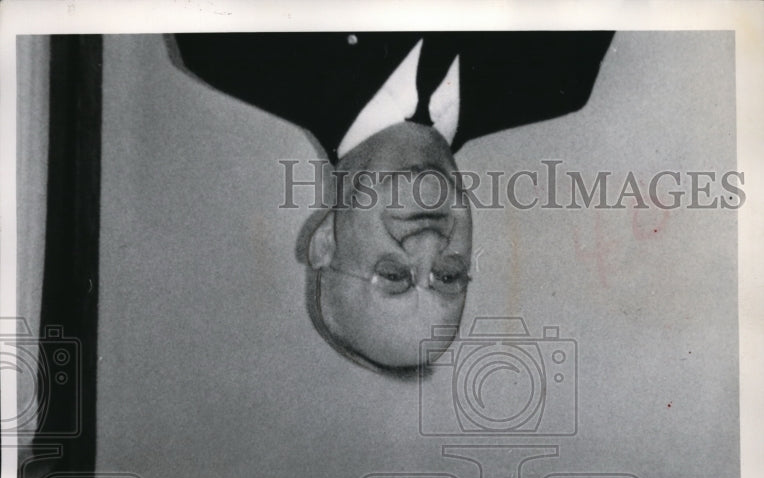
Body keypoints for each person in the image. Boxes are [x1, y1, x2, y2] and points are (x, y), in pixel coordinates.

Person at [170, 32, 613, 375]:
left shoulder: (227, 48)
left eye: (394, 276)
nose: (428, 245)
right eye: (448, 276)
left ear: (325, 242)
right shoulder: (559, 74)